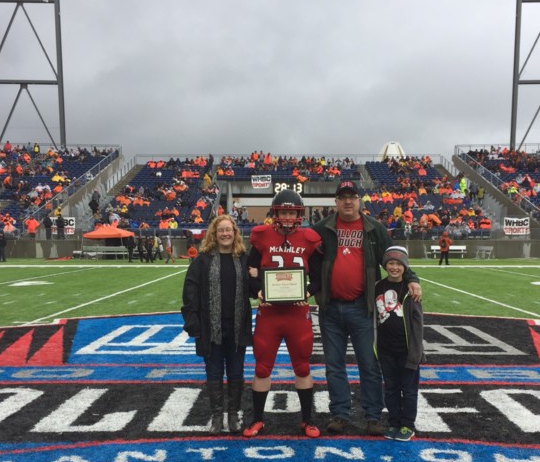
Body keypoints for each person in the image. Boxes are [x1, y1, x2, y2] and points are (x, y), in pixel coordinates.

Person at [313, 180, 422, 435]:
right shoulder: (321, 228)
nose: (348, 201)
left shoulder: (374, 228)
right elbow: (302, 254)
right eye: (343, 197)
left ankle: (373, 416)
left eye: (352, 197)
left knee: (369, 364)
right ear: (336, 202)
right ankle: (340, 414)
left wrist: (412, 278)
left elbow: (394, 258)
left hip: (363, 308)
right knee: (334, 365)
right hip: (330, 309)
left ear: (359, 200)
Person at [243, 189, 322, 438]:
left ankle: (307, 420)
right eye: (284, 212)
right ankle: (257, 419)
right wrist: (258, 292)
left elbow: (320, 277)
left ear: (299, 214)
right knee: (263, 367)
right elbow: (249, 270)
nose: (288, 217)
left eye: (292, 212)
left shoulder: (309, 238)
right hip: (270, 314)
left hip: (297, 314)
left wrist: (307, 292)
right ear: (275, 213)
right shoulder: (262, 236)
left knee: (302, 366)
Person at [181, 215, 252, 434]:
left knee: (236, 372)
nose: (225, 234)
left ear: (235, 233)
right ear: (214, 233)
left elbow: (254, 287)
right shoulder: (202, 261)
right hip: (210, 328)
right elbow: (190, 293)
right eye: (221, 230)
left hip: (237, 326)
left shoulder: (243, 258)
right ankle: (216, 416)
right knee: (213, 373)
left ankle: (233, 415)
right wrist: (192, 324)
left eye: (228, 230)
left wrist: (257, 277)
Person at [375, 246, 424, 442]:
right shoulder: (378, 287)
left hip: (407, 350)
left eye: (398, 264)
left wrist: (417, 351)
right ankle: (394, 422)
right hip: (386, 350)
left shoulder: (411, 289)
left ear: (405, 266)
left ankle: (408, 425)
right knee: (391, 388)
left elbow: (418, 323)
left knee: (409, 390)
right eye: (390, 263)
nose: (394, 267)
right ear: (385, 265)